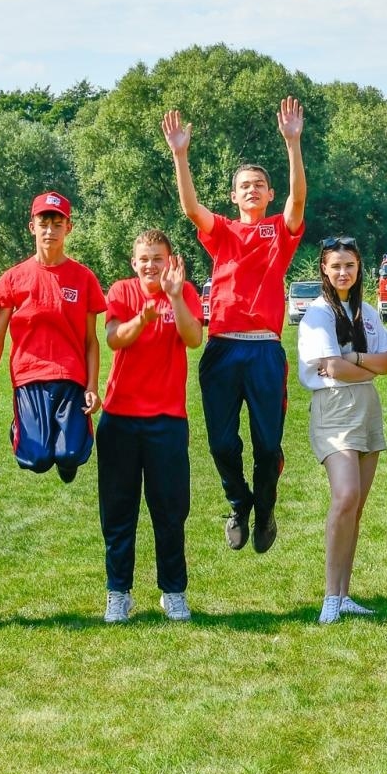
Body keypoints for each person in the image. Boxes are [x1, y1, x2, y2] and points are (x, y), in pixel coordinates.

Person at [162, 100, 306, 555]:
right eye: (244, 185)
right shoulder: (223, 232)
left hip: (264, 350)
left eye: (259, 185)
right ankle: (239, 503)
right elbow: (191, 208)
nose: (252, 190)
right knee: (222, 444)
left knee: (267, 446)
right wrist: (180, 155)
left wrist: (293, 143)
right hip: (223, 348)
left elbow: (298, 201)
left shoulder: (278, 232)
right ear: (234, 196)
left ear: (268, 194)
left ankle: (265, 508)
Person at [98, 230, 203, 624]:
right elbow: (114, 339)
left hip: (167, 420)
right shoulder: (121, 291)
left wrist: (174, 297)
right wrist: (142, 318)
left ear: (170, 261)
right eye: (144, 258)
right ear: (133, 262)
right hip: (120, 419)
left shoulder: (185, 292)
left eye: (158, 258)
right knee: (118, 512)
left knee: (170, 511)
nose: (150, 265)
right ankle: (118, 593)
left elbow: (194, 338)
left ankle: (173, 592)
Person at [0, 192, 105, 486]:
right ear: (32, 227)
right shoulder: (14, 278)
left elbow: (91, 340)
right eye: (43, 224)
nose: (50, 231)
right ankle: (18, 428)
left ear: (68, 228)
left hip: (71, 377)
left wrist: (92, 386)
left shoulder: (84, 278)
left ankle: (68, 455)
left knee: (71, 454)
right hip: (29, 376)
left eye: (57, 224)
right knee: (37, 459)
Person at [297, 236, 387, 623]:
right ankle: (329, 598)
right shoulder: (318, 313)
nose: (343, 272)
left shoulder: (366, 311)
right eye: (336, 266)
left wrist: (352, 357)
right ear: (324, 268)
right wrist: (365, 365)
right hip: (334, 407)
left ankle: (343, 594)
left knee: (356, 507)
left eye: (349, 266)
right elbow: (332, 369)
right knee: (345, 496)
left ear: (358, 269)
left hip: (367, 406)